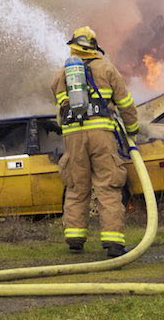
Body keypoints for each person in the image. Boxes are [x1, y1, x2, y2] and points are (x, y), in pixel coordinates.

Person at [51, 24, 142, 255]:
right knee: (108, 187)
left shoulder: (63, 74)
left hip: (73, 137)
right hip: (102, 135)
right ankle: (113, 242)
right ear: (94, 47)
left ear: (73, 46)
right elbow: (126, 104)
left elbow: (59, 109)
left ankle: (74, 238)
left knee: (76, 186)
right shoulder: (107, 69)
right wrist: (132, 131)